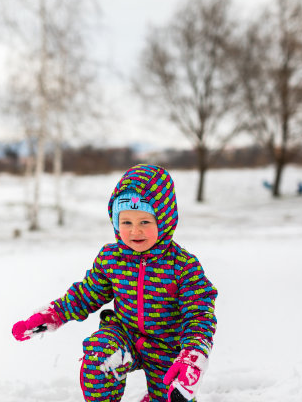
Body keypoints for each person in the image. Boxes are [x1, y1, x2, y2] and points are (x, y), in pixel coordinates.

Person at [12, 164, 218, 402]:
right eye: (126, 222)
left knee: (173, 397)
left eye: (145, 222)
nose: (134, 231)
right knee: (101, 353)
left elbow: (200, 314)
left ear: (165, 220)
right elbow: (87, 294)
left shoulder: (183, 265)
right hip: (125, 336)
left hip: (168, 347)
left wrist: (193, 355)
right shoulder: (112, 258)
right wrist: (53, 314)